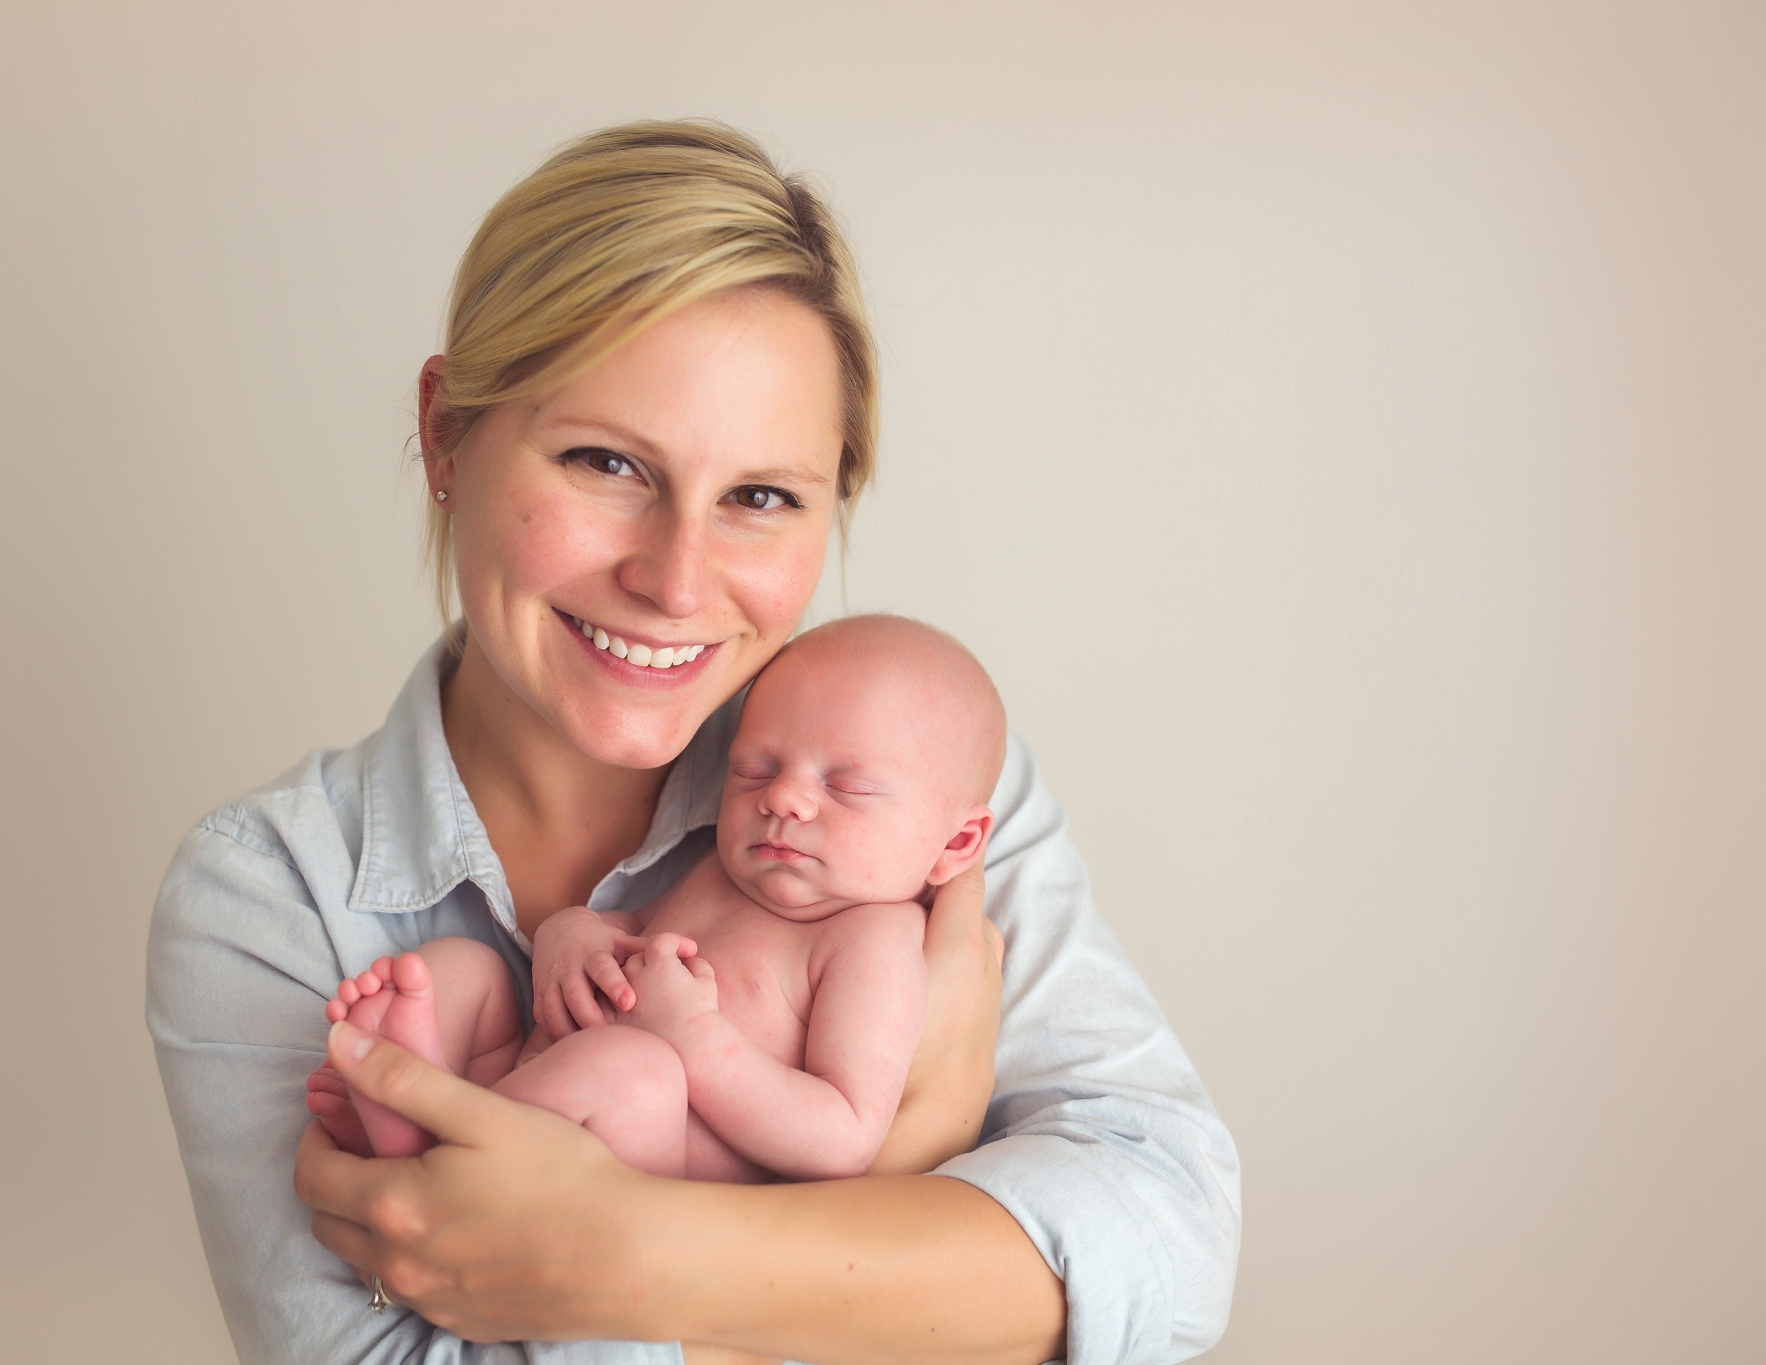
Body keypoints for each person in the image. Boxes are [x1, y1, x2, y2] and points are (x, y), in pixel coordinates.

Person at [147, 119, 1240, 1365]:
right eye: (606, 462)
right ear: (445, 433)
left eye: (759, 498)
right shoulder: (271, 893)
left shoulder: (913, 790)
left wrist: (636, 1259)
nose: (675, 580)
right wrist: (913, 1213)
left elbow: (1172, 1240)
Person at [306, 615, 1005, 1184]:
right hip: (532, 1072)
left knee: (638, 1073)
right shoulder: (723, 871)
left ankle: (430, 1145)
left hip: (633, 1164)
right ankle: (415, 1091)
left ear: (956, 842)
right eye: (754, 770)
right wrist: (574, 934)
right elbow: (629, 930)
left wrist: (697, 1042)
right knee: (464, 968)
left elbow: (845, 1130)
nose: (782, 799)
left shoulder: (875, 942)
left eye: (845, 788)